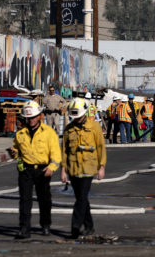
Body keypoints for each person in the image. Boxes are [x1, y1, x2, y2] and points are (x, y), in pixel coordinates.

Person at [8, 100, 61, 239]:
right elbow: (17, 150)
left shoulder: (49, 132)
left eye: (33, 117)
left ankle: (45, 225)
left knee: (44, 200)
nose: (31, 120)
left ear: (39, 116)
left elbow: (56, 153)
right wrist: (14, 153)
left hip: (43, 171)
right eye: (28, 118)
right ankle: (24, 229)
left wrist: (52, 167)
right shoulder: (20, 134)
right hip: (26, 170)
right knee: (25, 200)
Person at [61, 98, 106, 239]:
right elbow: (64, 150)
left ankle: (75, 226)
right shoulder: (69, 129)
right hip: (73, 168)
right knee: (82, 198)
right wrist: (63, 169)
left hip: (88, 167)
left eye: (79, 116)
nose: (77, 119)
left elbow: (100, 147)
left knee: (81, 198)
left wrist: (101, 167)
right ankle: (89, 226)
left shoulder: (94, 127)